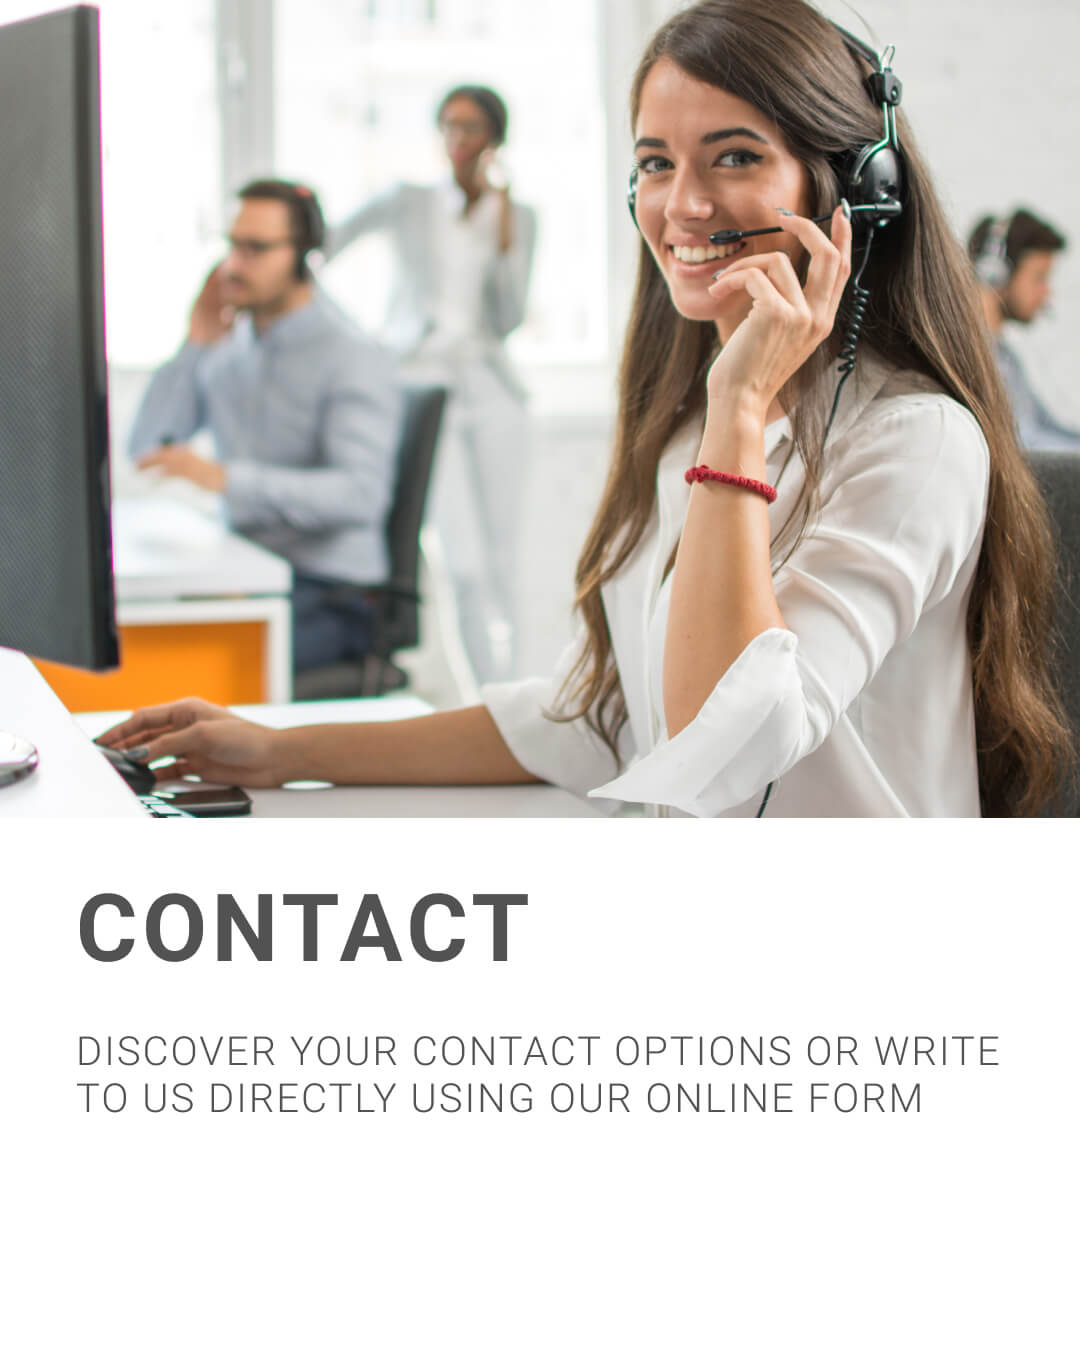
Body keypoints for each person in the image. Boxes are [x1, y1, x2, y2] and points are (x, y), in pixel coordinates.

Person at [102, 0, 1072, 817]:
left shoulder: (915, 443)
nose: (681, 205)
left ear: (858, 191)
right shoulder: (689, 428)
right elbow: (604, 718)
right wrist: (280, 751)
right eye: (655, 163)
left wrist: (739, 403)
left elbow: (721, 748)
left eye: (734, 156)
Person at [129, 179, 404, 675]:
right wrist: (195, 343)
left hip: (330, 593)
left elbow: (361, 495)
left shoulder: (352, 355)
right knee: (134, 639)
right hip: (245, 572)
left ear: (304, 255)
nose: (234, 265)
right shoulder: (229, 348)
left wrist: (227, 479)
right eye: (232, 245)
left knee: (181, 669)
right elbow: (147, 448)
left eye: (255, 249)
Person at [322, 84, 537, 684]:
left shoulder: (518, 216)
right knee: (461, 563)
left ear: (494, 139)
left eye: (470, 127)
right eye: (448, 125)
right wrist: (369, 343)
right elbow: (323, 248)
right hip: (422, 384)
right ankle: (482, 698)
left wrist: (503, 233)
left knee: (504, 560)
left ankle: (518, 692)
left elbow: (509, 318)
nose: (456, 139)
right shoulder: (408, 201)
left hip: (491, 389)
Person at [967, 209, 1080, 451]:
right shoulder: (975, 359)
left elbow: (1048, 427)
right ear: (994, 274)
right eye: (1039, 278)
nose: (1047, 292)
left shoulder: (1006, 358)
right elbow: (1027, 443)